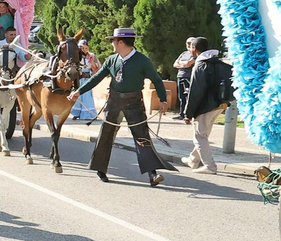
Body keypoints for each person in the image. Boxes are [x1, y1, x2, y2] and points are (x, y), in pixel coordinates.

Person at [76, 27, 168, 186]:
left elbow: (157, 80)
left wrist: (163, 100)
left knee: (142, 136)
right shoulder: (112, 59)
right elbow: (97, 77)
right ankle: (100, 169)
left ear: (120, 42)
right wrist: (79, 91)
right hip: (114, 101)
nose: (112, 43)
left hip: (134, 102)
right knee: (106, 133)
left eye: (113, 41)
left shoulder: (142, 60)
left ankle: (152, 174)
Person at [181, 37, 230, 174]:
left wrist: (188, 113)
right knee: (203, 133)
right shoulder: (216, 62)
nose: (189, 49)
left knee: (200, 136)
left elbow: (195, 91)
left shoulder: (201, 64)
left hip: (205, 105)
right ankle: (193, 159)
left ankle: (210, 166)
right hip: (219, 104)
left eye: (190, 47)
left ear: (194, 49)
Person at [70, 39, 101, 119]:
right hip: (79, 78)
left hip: (87, 78)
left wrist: (92, 62)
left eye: (86, 48)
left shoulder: (92, 56)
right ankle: (76, 113)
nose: (84, 50)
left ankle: (88, 114)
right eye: (82, 48)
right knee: (78, 95)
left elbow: (97, 68)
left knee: (87, 96)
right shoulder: (76, 56)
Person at [173, 37, 197, 116]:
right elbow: (175, 64)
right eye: (187, 43)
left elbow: (188, 64)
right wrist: (184, 64)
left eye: (191, 43)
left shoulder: (195, 54)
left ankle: (188, 114)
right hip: (180, 76)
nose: (188, 45)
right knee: (181, 97)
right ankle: (181, 114)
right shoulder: (183, 53)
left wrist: (182, 63)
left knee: (188, 96)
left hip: (189, 77)